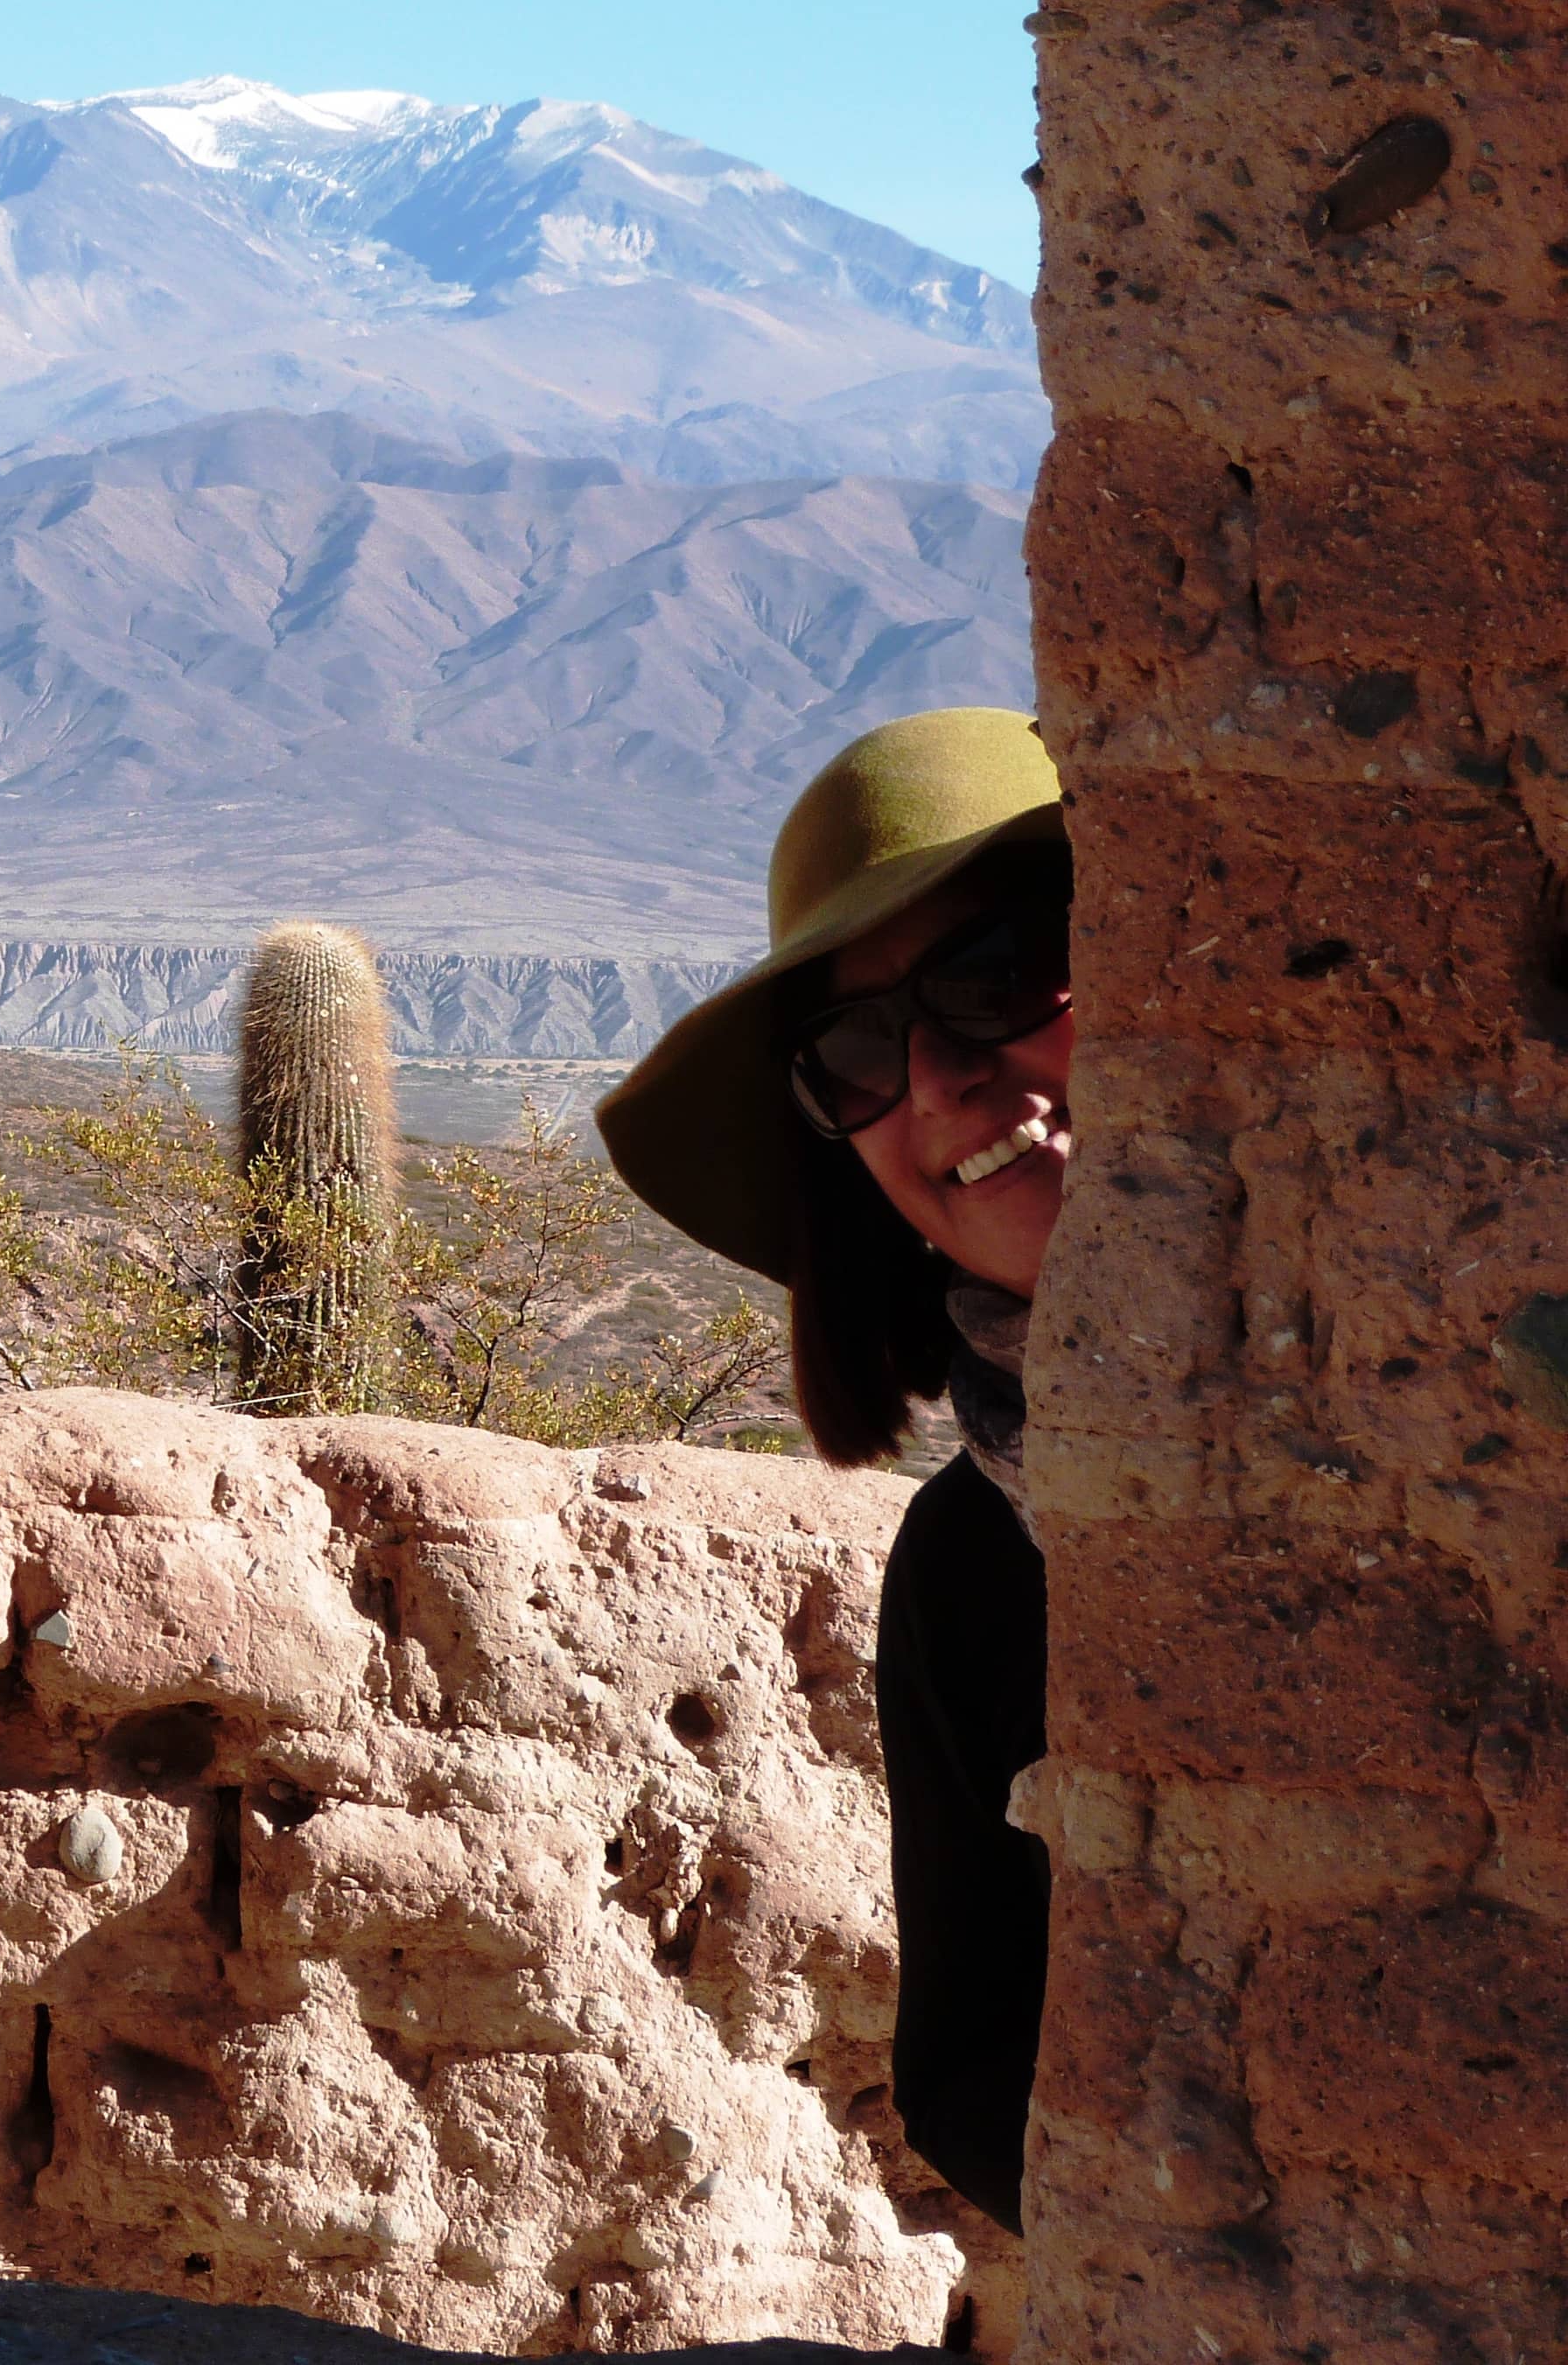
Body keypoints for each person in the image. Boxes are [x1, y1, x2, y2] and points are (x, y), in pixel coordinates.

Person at [594, 705, 1064, 2236]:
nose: (936, 1081)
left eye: (994, 976)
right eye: (858, 1051)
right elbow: (981, 2078)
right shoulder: (978, 1566)